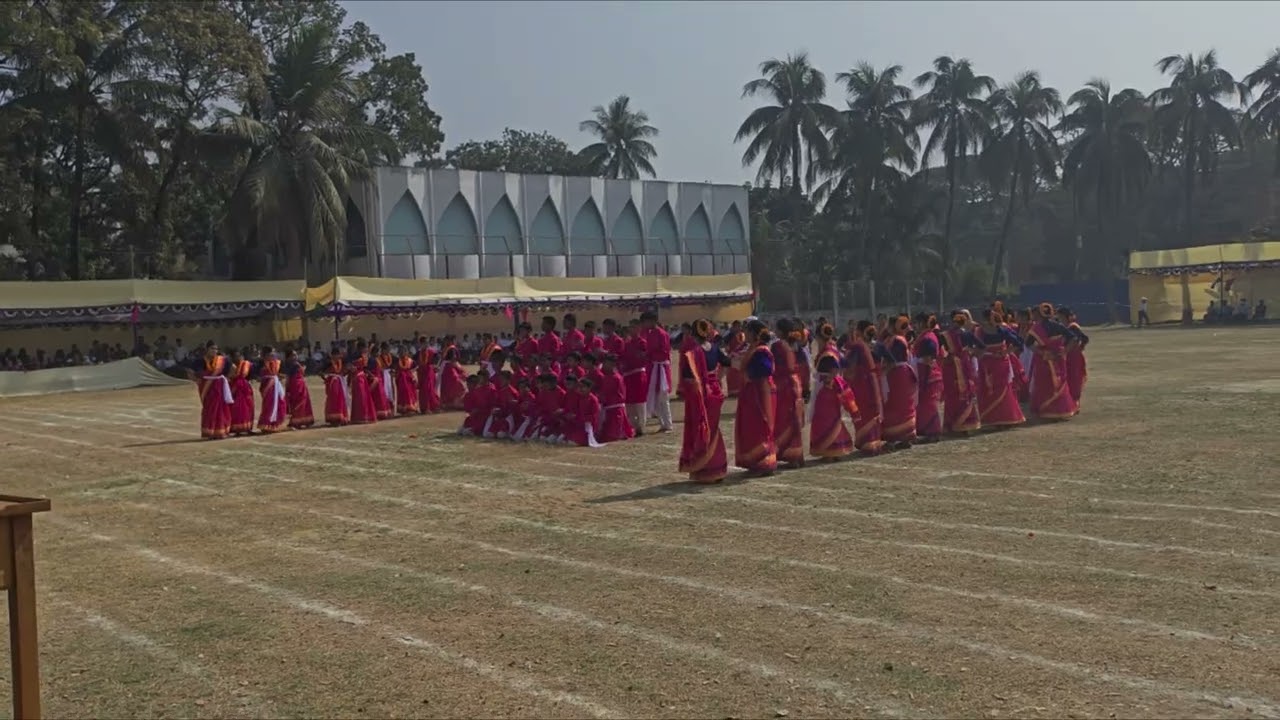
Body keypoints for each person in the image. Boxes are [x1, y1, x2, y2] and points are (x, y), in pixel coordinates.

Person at [677, 319, 729, 483]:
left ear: (693, 334)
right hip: (715, 391)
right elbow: (727, 363)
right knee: (713, 428)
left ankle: (705, 469)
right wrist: (717, 378)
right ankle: (718, 467)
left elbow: (688, 377)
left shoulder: (693, 353)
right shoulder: (715, 348)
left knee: (701, 428)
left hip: (700, 394)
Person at [809, 324, 860, 460]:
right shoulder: (833, 350)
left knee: (823, 417)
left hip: (827, 387)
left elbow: (836, 367)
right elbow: (845, 364)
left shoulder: (828, 352)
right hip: (831, 386)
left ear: (818, 337)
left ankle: (829, 449)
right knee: (833, 416)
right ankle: (836, 448)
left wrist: (830, 378)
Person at [735, 319, 778, 476]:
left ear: (754, 334)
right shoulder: (753, 349)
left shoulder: (761, 351)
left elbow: (765, 369)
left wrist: (748, 372)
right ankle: (756, 462)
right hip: (752, 392)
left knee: (759, 426)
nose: (744, 334)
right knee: (752, 426)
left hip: (760, 393)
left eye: (747, 331)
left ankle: (763, 463)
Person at [974, 308, 1027, 428]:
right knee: (999, 389)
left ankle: (999, 419)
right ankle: (1003, 418)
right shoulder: (1000, 330)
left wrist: (1005, 352)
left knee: (994, 390)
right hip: (995, 363)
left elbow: (1018, 343)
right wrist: (1005, 352)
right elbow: (1018, 342)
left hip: (992, 363)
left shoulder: (983, 331)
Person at [1025, 302, 1078, 420]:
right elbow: (1073, 338)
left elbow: (1028, 343)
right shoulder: (1058, 326)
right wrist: (1065, 351)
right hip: (1059, 358)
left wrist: (1041, 352)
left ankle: (1046, 410)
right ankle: (1061, 410)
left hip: (1044, 359)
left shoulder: (1036, 328)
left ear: (1039, 314)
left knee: (1044, 384)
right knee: (1060, 383)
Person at [843, 321, 887, 455]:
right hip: (874, 381)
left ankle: (868, 443)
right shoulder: (877, 345)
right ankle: (875, 442)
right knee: (872, 410)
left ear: (859, 332)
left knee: (863, 412)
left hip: (862, 382)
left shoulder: (858, 346)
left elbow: (849, 366)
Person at [938, 311, 981, 435]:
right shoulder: (968, 334)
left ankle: (952, 423)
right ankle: (965, 423)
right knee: (966, 393)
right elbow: (981, 346)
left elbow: (938, 351)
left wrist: (945, 359)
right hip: (965, 365)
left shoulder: (945, 335)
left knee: (952, 394)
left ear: (952, 321)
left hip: (951, 367)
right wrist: (970, 353)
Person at [771, 318, 806, 467]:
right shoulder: (796, 345)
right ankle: (797, 455)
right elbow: (803, 365)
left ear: (781, 331)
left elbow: (773, 366)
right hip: (796, 383)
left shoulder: (777, 346)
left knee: (783, 419)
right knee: (794, 418)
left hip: (783, 385)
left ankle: (788, 454)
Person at [880, 315, 917, 447]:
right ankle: (902, 436)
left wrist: (883, 371)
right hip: (897, 374)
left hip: (897, 374)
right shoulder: (893, 339)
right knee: (899, 404)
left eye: (889, 325)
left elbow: (892, 360)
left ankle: (899, 436)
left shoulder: (897, 340)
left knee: (897, 404)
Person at [911, 314, 944, 442]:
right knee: (924, 404)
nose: (915, 326)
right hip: (924, 372)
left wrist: (918, 362)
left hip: (929, 373)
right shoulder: (925, 336)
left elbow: (928, 357)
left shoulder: (928, 337)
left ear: (922, 323)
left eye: (916, 323)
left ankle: (933, 431)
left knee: (929, 404)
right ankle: (926, 430)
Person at [190, 342, 232, 440]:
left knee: (221, 408)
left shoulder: (222, 360)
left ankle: (220, 431)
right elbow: (190, 371)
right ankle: (209, 432)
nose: (214, 351)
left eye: (216, 349)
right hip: (206, 387)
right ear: (207, 349)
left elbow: (233, 368)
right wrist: (196, 380)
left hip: (219, 386)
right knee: (209, 409)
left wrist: (227, 377)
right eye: (212, 348)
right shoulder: (200, 360)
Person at [641, 311, 673, 432]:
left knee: (663, 397)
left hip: (661, 368)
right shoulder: (649, 333)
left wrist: (649, 354)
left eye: (646, 322)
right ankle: (662, 423)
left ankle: (668, 423)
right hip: (653, 367)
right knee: (655, 397)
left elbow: (664, 352)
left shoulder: (662, 334)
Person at [1057, 306, 1089, 412]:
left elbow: (1084, 338)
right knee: (1068, 378)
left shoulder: (1073, 326)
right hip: (1068, 356)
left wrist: (1079, 347)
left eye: (1061, 316)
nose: (1059, 319)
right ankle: (1070, 402)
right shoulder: (1064, 327)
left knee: (1075, 379)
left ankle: (1075, 403)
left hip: (1074, 356)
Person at [621, 321, 650, 435]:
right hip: (628, 375)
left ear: (638, 329)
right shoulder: (627, 344)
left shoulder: (642, 342)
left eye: (634, 327)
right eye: (630, 327)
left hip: (638, 374)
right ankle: (633, 424)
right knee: (629, 401)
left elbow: (644, 357)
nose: (631, 329)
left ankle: (641, 426)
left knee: (640, 400)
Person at [597, 354, 634, 442]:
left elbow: (617, 394)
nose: (605, 366)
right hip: (608, 406)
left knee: (611, 435)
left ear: (613, 365)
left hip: (615, 407)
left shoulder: (616, 377)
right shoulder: (606, 376)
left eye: (607, 363)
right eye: (604, 363)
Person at [255, 346, 289, 434]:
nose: (274, 355)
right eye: (271, 353)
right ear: (266, 355)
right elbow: (257, 376)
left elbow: (279, 373)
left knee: (280, 403)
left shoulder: (277, 363)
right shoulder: (261, 363)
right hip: (267, 386)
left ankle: (276, 424)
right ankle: (265, 425)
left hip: (276, 386)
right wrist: (267, 377)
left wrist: (279, 376)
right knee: (269, 405)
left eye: (274, 353)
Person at [228, 349, 256, 436]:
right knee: (237, 409)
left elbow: (251, 375)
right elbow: (229, 376)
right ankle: (237, 429)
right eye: (235, 356)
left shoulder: (246, 364)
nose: (238, 358)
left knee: (249, 407)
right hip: (235, 389)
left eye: (239, 356)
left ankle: (248, 428)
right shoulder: (230, 366)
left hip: (245, 389)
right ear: (232, 357)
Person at [348, 344, 378, 425]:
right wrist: (352, 368)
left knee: (364, 397)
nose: (366, 350)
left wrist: (371, 375)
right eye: (365, 348)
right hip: (357, 378)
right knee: (360, 397)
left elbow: (365, 368)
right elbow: (349, 365)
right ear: (361, 348)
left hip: (362, 378)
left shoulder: (365, 357)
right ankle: (359, 417)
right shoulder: (355, 356)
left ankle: (366, 416)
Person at [322, 348, 350, 426]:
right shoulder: (329, 362)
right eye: (338, 354)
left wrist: (345, 372)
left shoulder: (341, 361)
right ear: (333, 355)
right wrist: (326, 379)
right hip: (332, 382)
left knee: (340, 399)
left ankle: (342, 418)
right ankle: (333, 419)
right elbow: (320, 371)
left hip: (339, 382)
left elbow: (345, 371)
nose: (339, 356)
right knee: (333, 400)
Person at [439, 337, 468, 410]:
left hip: (447, 368)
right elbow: (453, 359)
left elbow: (452, 359)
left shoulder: (449, 348)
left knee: (449, 384)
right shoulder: (450, 348)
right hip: (448, 368)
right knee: (452, 384)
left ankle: (451, 402)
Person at [371, 343, 395, 420]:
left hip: (388, 375)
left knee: (390, 393)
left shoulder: (390, 356)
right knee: (384, 393)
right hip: (382, 377)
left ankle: (390, 411)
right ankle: (381, 412)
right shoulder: (377, 359)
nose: (388, 350)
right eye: (387, 349)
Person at [415, 339, 440, 413]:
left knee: (430, 388)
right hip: (421, 373)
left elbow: (438, 358)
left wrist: (435, 365)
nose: (425, 345)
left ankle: (432, 406)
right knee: (423, 390)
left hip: (429, 372)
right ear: (420, 344)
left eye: (426, 343)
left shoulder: (431, 352)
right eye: (423, 343)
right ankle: (424, 408)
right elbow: (414, 362)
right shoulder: (418, 353)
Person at [723, 320, 746, 397]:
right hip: (732, 357)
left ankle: (739, 391)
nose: (738, 328)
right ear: (733, 326)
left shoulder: (742, 335)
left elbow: (744, 345)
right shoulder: (729, 335)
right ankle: (732, 391)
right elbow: (725, 345)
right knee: (731, 375)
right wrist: (730, 353)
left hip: (740, 357)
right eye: (737, 326)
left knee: (739, 375)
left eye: (739, 326)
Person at [394, 348, 420, 415]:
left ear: (406, 353)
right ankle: (403, 410)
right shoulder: (397, 361)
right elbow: (396, 371)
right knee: (403, 394)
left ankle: (412, 409)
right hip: (401, 381)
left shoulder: (411, 361)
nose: (402, 353)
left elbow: (416, 368)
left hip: (409, 380)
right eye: (401, 352)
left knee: (411, 393)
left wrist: (412, 374)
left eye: (403, 352)